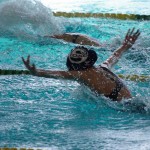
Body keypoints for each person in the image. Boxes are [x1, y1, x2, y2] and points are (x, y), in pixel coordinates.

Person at [22, 28, 140, 101]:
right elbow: (115, 55)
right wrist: (126, 45)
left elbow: (55, 74)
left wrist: (36, 72)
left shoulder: (81, 75)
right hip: (132, 101)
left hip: (123, 106)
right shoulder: (103, 66)